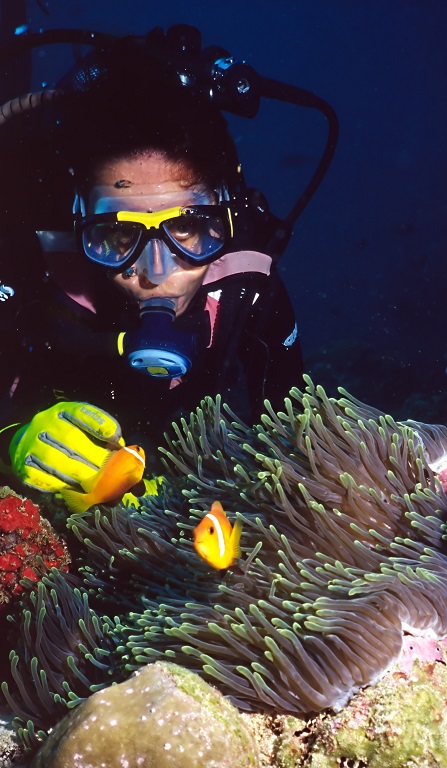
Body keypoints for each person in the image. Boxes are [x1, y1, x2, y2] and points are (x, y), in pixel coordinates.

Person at [0, 25, 335, 497]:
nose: (157, 273)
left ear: (228, 213)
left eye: (189, 229)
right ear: (78, 218)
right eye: (117, 234)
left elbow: (295, 432)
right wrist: (13, 438)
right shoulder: (31, 266)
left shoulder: (249, 285)